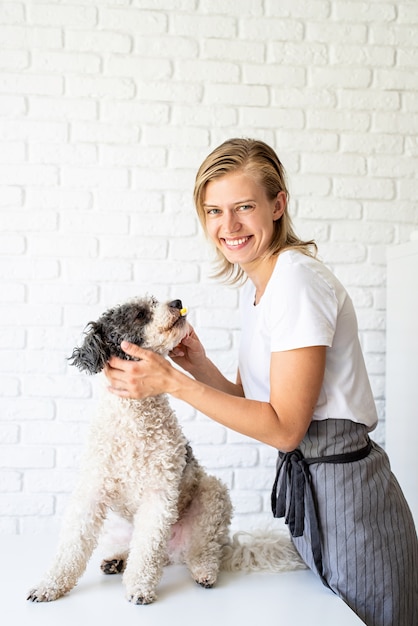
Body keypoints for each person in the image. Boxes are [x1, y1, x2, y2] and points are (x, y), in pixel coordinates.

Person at [105, 138, 418, 626]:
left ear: (277, 205)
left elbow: (285, 429)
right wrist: (198, 368)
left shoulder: (296, 280)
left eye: (244, 207)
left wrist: (171, 382)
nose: (227, 227)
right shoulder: (265, 287)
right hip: (318, 491)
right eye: (213, 211)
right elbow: (258, 406)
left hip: (352, 504)